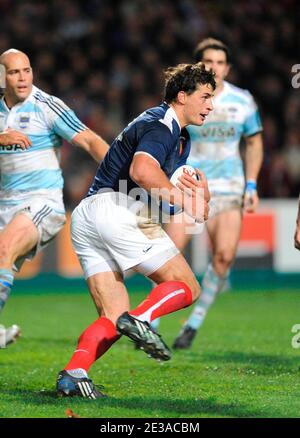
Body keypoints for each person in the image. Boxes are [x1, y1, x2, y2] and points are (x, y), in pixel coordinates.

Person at [56, 62, 216, 399]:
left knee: (113, 315)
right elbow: (142, 172)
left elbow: (154, 190)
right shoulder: (162, 125)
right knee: (187, 286)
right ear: (182, 96)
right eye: (204, 97)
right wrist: (186, 202)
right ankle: (141, 319)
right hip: (119, 209)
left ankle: (74, 372)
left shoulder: (172, 134)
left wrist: (187, 200)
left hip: (89, 215)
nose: (210, 105)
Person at [0, 49, 109, 348]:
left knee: (4, 248)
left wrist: (120, 178)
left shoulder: (46, 106)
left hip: (41, 202)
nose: (22, 78)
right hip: (5, 204)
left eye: (27, 70)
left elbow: (89, 139)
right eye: (13, 72)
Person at [165, 38, 264, 349]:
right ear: (198, 66)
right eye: (209, 62)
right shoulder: (184, 99)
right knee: (167, 254)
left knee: (224, 256)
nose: (215, 68)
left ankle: (194, 322)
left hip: (228, 188)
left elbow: (254, 142)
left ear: (228, 67)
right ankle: (150, 321)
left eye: (221, 63)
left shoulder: (242, 101)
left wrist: (252, 183)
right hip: (188, 186)